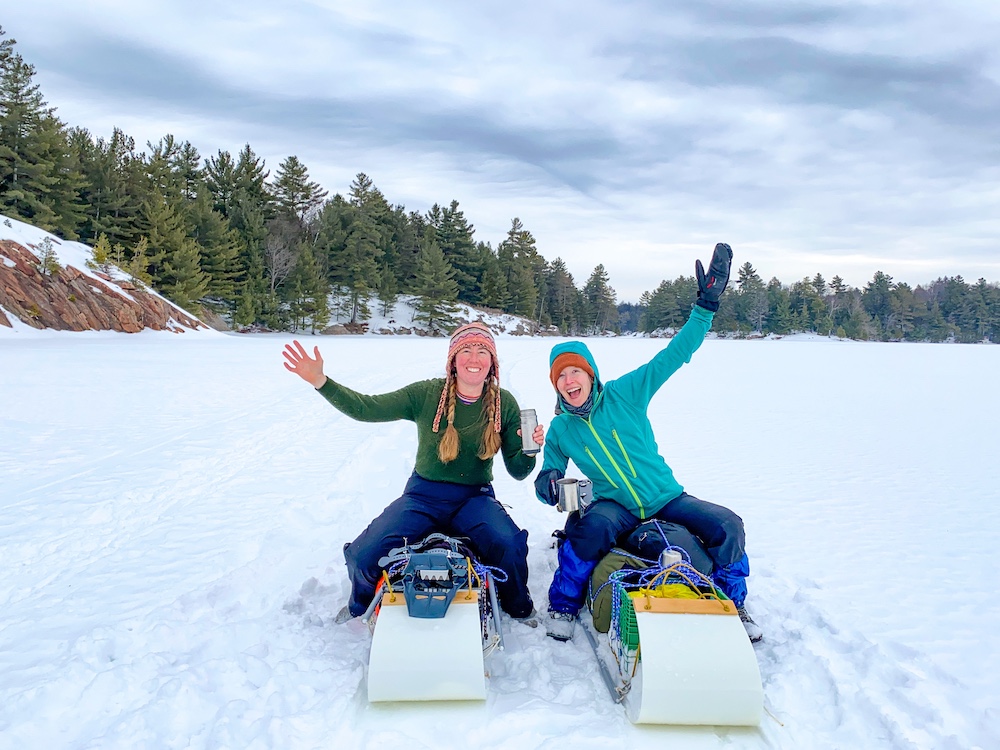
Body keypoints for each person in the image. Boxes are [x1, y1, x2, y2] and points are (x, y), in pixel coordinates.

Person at [534, 243, 762, 642]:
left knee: (728, 525)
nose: (569, 381)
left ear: (590, 375)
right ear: (556, 385)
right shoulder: (560, 429)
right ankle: (563, 604)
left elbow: (674, 354)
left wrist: (705, 308)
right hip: (614, 505)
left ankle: (732, 603)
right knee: (589, 530)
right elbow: (548, 475)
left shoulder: (626, 393)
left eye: (575, 372)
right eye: (561, 376)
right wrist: (550, 484)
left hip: (666, 496)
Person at [283, 322, 544, 625]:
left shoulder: (504, 404)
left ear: (492, 361)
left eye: (483, 350)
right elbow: (367, 408)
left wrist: (529, 450)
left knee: (509, 546)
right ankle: (359, 606)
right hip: (423, 496)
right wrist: (321, 382)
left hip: (475, 498)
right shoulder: (426, 394)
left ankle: (519, 607)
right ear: (453, 360)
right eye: (467, 350)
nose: (474, 359)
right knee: (364, 555)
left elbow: (518, 471)